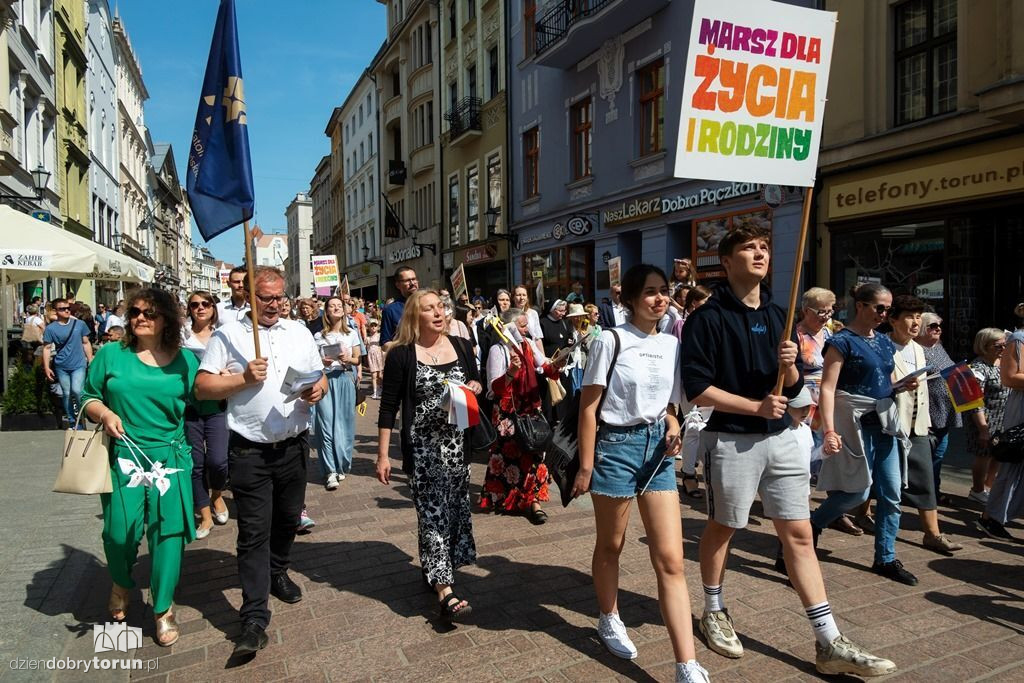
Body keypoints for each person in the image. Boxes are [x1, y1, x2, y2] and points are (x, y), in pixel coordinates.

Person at [682, 227, 894, 676]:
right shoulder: (709, 316)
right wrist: (755, 406)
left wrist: (792, 367)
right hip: (732, 439)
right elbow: (698, 389)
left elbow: (796, 391)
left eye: (763, 248)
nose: (760, 253)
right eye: (748, 249)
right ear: (726, 262)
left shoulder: (781, 315)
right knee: (724, 527)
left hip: (782, 439)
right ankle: (713, 609)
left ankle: (828, 639)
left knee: (798, 535)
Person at [572, 264, 709, 683]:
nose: (659, 298)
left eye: (664, 291)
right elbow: (589, 409)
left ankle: (686, 664)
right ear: (630, 299)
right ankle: (608, 616)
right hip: (614, 449)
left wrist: (671, 426)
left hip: (657, 452)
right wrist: (586, 465)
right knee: (612, 544)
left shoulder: (671, 344)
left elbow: (669, 404)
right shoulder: (610, 340)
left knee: (670, 558)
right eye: (650, 292)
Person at [194, 267, 328, 658]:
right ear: (250, 297)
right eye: (265, 298)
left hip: (293, 446)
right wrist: (242, 380)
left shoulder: (299, 332)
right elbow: (202, 387)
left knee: (288, 520)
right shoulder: (229, 334)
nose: (273, 305)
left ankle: (277, 571)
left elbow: (317, 376)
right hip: (248, 449)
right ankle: (254, 617)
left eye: (279, 297)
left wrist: (317, 390)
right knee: (253, 532)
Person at [81, 288, 197, 647]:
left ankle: (163, 609)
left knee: (167, 538)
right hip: (125, 456)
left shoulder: (186, 361)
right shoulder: (111, 355)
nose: (140, 318)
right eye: (134, 313)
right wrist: (105, 413)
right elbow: (88, 397)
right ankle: (120, 580)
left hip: (170, 459)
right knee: (119, 533)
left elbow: (206, 401)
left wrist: (242, 378)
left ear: (167, 319)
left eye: (149, 313)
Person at [376, 290, 482, 624]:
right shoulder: (402, 355)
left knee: (454, 514)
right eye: (428, 309)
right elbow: (389, 407)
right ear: (414, 316)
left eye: (440, 307)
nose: (438, 313)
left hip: (457, 447)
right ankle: (445, 591)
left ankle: (435, 568)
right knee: (433, 516)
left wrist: (476, 387)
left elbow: (476, 380)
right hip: (423, 451)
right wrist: (382, 455)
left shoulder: (462, 346)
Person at [811, 284, 920, 585]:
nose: (885, 314)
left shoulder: (884, 341)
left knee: (892, 493)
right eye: (880, 308)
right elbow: (828, 387)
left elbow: (886, 380)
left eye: (888, 309)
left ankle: (885, 557)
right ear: (860, 306)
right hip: (854, 424)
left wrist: (901, 386)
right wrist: (829, 429)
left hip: (884, 423)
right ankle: (813, 523)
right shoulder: (841, 341)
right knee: (857, 491)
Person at [887, 295, 962, 553]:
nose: (916, 322)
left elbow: (924, 391)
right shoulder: (883, 346)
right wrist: (895, 386)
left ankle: (932, 533)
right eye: (910, 316)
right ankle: (860, 513)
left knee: (926, 479)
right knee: (880, 480)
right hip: (889, 425)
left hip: (917, 425)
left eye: (919, 316)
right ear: (893, 320)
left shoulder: (920, 349)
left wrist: (927, 422)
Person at [482, 308, 565, 522]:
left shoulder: (527, 345)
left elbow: (544, 366)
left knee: (534, 454)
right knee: (509, 454)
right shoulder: (498, 350)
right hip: (507, 413)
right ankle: (509, 498)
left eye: (526, 324)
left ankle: (532, 500)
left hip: (530, 408)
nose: (526, 329)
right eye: (522, 325)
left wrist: (557, 364)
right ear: (509, 328)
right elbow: (494, 388)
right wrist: (511, 373)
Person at [182, 291, 230, 540]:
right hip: (189, 407)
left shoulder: (223, 334)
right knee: (195, 464)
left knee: (219, 461)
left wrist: (227, 375)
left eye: (205, 303)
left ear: (213, 307)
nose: (200, 308)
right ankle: (205, 515)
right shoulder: (181, 337)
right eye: (194, 305)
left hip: (217, 405)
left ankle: (217, 494)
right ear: (189, 309)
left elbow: (236, 365)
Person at [977, 304, 1024, 539]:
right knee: (1013, 462)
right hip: (1021, 410)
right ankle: (991, 518)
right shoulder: (1018, 339)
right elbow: (1010, 377)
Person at [314, 296, 361, 490]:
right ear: (326, 311)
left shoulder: (351, 333)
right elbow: (312, 361)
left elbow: (359, 360)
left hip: (344, 379)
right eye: (332, 306)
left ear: (344, 310)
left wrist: (348, 358)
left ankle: (341, 464)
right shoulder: (318, 336)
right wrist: (321, 361)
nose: (336, 308)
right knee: (325, 425)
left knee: (344, 424)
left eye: (339, 306)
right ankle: (330, 470)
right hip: (325, 380)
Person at [916, 312, 960, 503]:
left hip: (944, 412)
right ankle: (925, 492)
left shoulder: (939, 348)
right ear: (922, 328)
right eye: (933, 326)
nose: (938, 329)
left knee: (938, 454)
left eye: (939, 326)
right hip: (927, 413)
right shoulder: (916, 350)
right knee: (926, 456)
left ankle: (933, 490)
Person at [966, 328, 1010, 503]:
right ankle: (977, 490)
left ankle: (988, 487)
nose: (1003, 349)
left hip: (1003, 418)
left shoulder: (1003, 362)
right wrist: (983, 428)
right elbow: (974, 402)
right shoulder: (977, 368)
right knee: (983, 454)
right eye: (998, 346)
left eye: (1005, 344)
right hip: (985, 419)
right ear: (985, 346)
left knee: (998, 454)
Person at [42, 298, 93, 426]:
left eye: (68, 308)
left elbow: (86, 343)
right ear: (55, 311)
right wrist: (47, 367)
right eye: (62, 309)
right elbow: (47, 348)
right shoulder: (51, 329)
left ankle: (80, 416)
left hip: (79, 364)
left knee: (77, 390)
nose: (66, 310)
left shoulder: (79, 324)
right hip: (61, 365)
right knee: (67, 393)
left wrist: (90, 359)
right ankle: (72, 420)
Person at [381, 267, 419, 348]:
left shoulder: (428, 304)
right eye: (407, 280)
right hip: (406, 358)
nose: (412, 283)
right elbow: (385, 344)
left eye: (414, 279)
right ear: (398, 285)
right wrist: (405, 345)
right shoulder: (390, 310)